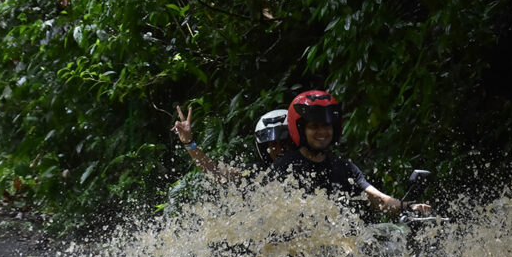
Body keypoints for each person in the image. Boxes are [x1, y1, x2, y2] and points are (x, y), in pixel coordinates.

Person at [272, 90, 430, 216]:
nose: (322, 132)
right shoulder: (283, 169)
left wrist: (409, 207)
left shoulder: (344, 168)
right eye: (314, 126)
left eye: (327, 125)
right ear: (301, 129)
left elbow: (380, 201)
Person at [171, 105, 295, 182]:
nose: (279, 149)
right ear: (264, 148)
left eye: (284, 142)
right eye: (273, 144)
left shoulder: (311, 164)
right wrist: (189, 143)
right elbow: (216, 173)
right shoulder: (257, 173)